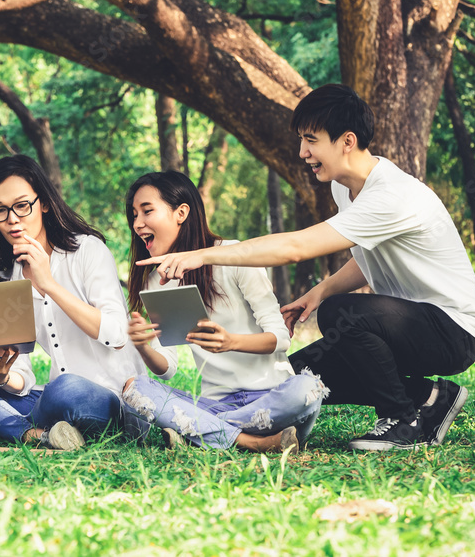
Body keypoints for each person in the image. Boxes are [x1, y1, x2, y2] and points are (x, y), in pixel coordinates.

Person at [141, 84, 475, 451]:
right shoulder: (347, 189)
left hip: (453, 332)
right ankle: (432, 396)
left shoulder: (391, 196)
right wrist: (318, 292)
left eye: (311, 140)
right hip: (413, 325)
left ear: (347, 141)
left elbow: (295, 248)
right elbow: (368, 256)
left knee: (341, 313)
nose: (303, 152)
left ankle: (403, 421)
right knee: (300, 375)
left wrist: (202, 255)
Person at [0, 155, 148, 449]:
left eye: (22, 206)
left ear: (44, 203)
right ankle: (37, 434)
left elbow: (116, 334)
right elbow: (22, 374)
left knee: (64, 389)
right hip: (49, 398)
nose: (12, 219)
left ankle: (3, 422)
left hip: (106, 397)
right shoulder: (9, 275)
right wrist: (0, 376)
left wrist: (48, 283)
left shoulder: (88, 250)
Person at [120, 171, 328, 452]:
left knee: (307, 390)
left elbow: (280, 338)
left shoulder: (234, 255)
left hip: (273, 397)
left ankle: (201, 428)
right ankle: (252, 441)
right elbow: (167, 370)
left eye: (147, 211)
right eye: (134, 215)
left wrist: (231, 342)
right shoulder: (156, 279)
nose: (137, 223)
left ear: (181, 213)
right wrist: (144, 347)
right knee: (136, 388)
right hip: (218, 401)